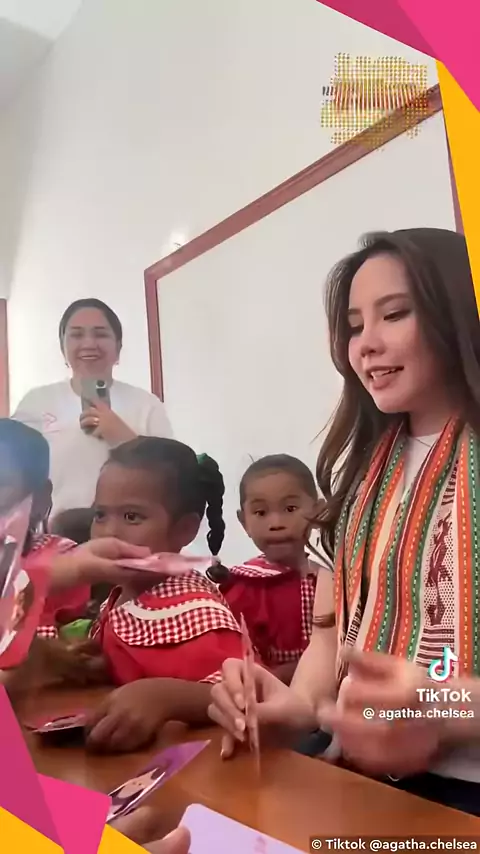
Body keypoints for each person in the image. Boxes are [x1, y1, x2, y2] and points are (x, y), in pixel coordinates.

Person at [209, 228, 480, 816]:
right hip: (359, 777)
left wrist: (445, 710)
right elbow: (332, 635)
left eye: (395, 314)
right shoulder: (362, 475)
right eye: (355, 326)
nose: (367, 345)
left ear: (457, 313)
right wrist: (298, 706)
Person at [38, 436, 248, 753]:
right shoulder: (120, 595)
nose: (108, 532)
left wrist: (165, 697)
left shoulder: (196, 611)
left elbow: (247, 693)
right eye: (100, 515)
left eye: (131, 516)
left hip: (200, 766)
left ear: (184, 529)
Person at [13, 298, 172, 516]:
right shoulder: (37, 401)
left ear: (118, 347)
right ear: (63, 347)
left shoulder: (146, 405)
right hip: (54, 532)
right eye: (77, 334)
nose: (89, 343)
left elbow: (172, 479)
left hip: (127, 531)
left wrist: (124, 438)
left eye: (101, 334)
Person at [218, 454, 326, 682]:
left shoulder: (332, 581)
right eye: (261, 512)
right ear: (244, 522)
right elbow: (238, 664)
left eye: (290, 508)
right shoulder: (243, 588)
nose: (276, 523)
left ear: (318, 513)